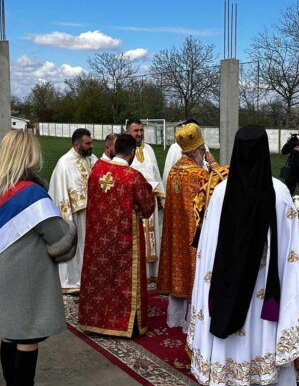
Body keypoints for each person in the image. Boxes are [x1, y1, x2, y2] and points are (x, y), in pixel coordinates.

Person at [187, 125, 299, 386]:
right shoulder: (279, 192)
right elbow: (293, 253)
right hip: (266, 283)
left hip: (228, 284)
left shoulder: (220, 193)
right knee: (261, 326)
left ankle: (231, 384)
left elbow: (207, 249)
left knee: (235, 323)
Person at [0, 130, 77, 386]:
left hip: (1, 266)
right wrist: (71, 226)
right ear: (29, 155)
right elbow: (58, 237)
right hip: (26, 271)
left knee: (11, 332)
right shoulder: (31, 193)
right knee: (29, 335)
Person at [77, 134, 156, 337]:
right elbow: (148, 207)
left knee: (100, 279)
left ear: (114, 149)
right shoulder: (131, 176)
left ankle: (93, 321)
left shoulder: (96, 171)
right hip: (124, 240)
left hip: (98, 239)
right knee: (122, 281)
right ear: (132, 153)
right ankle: (124, 325)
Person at [157, 123, 219, 330]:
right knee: (193, 272)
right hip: (194, 234)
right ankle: (191, 325)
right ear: (196, 152)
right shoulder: (200, 175)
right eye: (204, 151)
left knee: (178, 269)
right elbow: (221, 185)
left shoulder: (174, 171)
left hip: (176, 232)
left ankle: (174, 319)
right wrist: (214, 164)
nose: (205, 154)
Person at [48, 128, 98, 293]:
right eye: (88, 143)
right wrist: (66, 218)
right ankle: (71, 281)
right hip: (75, 215)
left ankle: (88, 277)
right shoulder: (64, 163)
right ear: (77, 144)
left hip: (91, 212)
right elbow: (60, 191)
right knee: (76, 249)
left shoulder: (91, 158)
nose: (91, 146)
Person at [126, 118, 165, 288]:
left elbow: (155, 172)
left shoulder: (149, 149)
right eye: (136, 131)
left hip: (151, 202)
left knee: (153, 236)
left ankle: (152, 274)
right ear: (128, 131)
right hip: (133, 204)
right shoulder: (124, 150)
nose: (139, 134)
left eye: (141, 130)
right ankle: (136, 272)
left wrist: (162, 198)